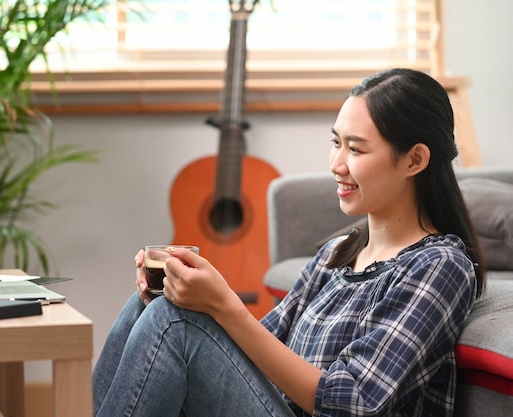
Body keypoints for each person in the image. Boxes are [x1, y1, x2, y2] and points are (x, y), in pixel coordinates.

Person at [92, 68, 486, 417]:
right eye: (336, 143)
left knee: (170, 320)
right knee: (152, 305)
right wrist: (191, 293)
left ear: (414, 160)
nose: (337, 164)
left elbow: (355, 401)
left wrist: (226, 305)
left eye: (356, 148)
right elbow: (251, 349)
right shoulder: (338, 254)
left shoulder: (439, 266)